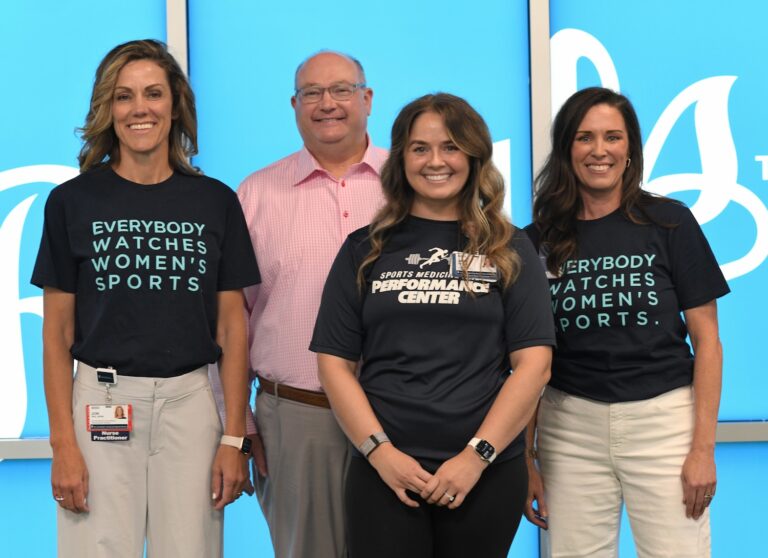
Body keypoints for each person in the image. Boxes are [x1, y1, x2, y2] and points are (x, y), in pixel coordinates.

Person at [31, 39, 259, 558]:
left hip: (192, 405)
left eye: (153, 94)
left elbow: (232, 328)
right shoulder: (72, 201)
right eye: (124, 96)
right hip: (100, 403)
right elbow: (57, 334)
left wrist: (233, 439)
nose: (140, 109)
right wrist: (62, 444)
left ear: (174, 104)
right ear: (107, 110)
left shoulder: (215, 202)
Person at [310, 93, 555, 558]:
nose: (435, 161)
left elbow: (534, 366)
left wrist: (475, 457)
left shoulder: (511, 248)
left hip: (484, 473)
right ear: (401, 160)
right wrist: (380, 454)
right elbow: (334, 366)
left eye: (451, 147)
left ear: (474, 156)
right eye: (420, 148)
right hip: (383, 472)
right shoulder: (363, 250)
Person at [523, 87, 729, 557]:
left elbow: (709, 342)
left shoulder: (669, 222)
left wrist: (702, 449)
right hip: (569, 426)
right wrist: (527, 460)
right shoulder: (536, 240)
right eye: (585, 138)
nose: (600, 151)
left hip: (665, 423)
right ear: (565, 149)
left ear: (630, 148)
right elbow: (529, 361)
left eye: (613, 137)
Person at [234, 50, 386, 558]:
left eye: (342, 90)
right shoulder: (256, 195)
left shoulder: (411, 186)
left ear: (367, 98)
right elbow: (232, 323)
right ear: (294, 105)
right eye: (312, 93)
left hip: (402, 410)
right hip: (298, 418)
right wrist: (243, 427)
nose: (328, 104)